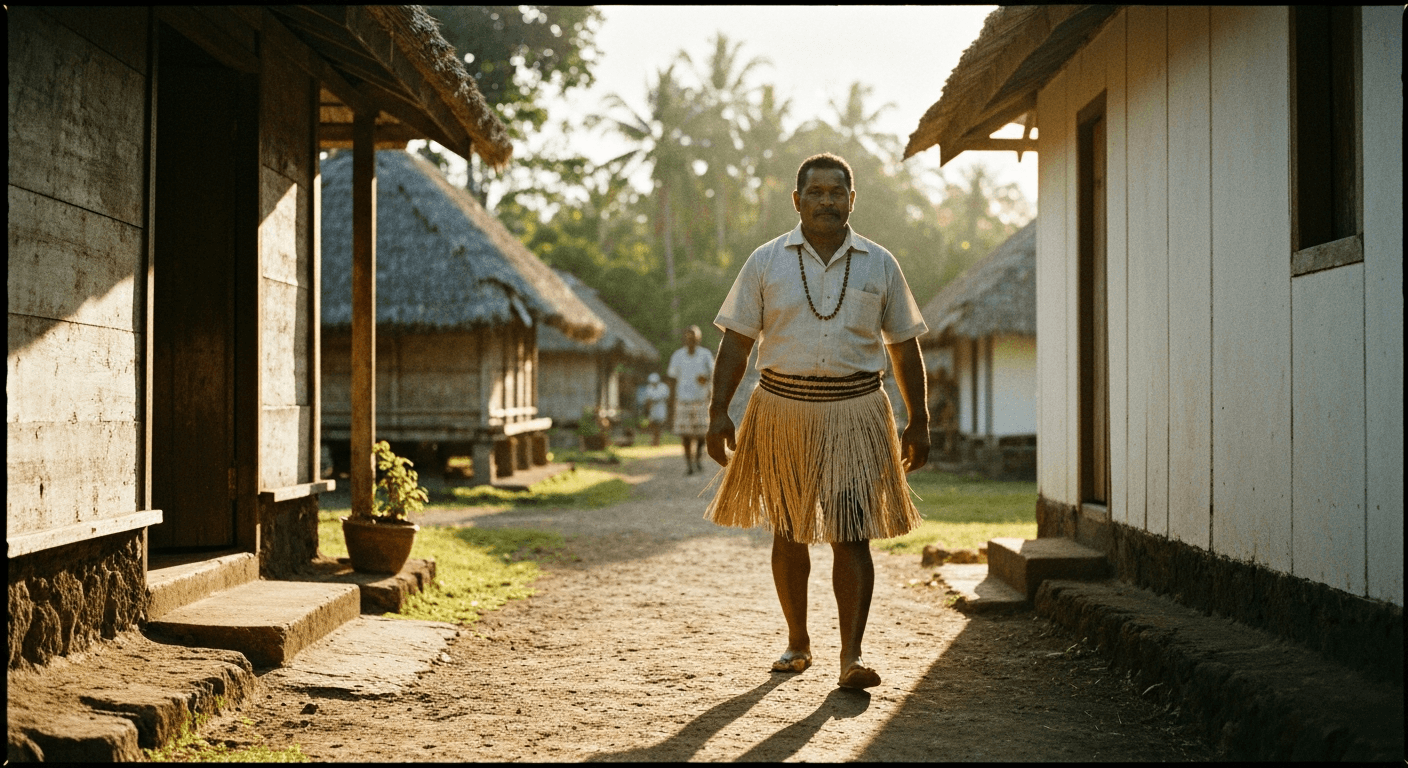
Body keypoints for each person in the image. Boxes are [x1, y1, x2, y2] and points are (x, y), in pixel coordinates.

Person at [704, 152, 930, 690]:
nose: (826, 200)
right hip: (781, 409)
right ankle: (797, 641)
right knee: (789, 529)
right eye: (816, 192)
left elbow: (904, 346)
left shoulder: (880, 263)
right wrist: (717, 412)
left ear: (853, 199)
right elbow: (736, 342)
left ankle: (851, 656)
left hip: (858, 410)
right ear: (797, 199)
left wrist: (919, 419)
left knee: (852, 532)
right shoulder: (765, 261)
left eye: (837, 192)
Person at [667, 325, 715, 475]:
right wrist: (671, 401)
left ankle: (698, 458)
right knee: (685, 435)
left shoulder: (705, 355)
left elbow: (713, 375)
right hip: (683, 400)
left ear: (698, 339)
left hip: (701, 400)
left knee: (702, 435)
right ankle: (689, 464)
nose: (691, 340)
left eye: (694, 337)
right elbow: (672, 379)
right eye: (688, 337)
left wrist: (705, 380)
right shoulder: (677, 356)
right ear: (684, 339)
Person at [642, 372, 671, 446]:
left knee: (659, 425)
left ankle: (657, 440)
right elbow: (648, 399)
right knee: (652, 424)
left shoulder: (664, 387)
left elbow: (665, 397)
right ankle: (653, 440)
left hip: (661, 408)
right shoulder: (649, 387)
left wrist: (654, 399)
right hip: (653, 409)